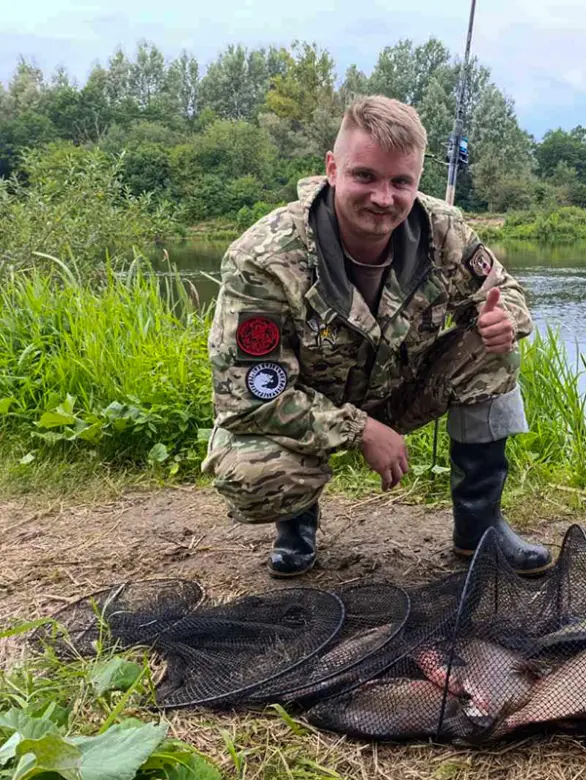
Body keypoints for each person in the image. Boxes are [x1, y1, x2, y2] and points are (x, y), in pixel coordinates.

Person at [201, 95, 552, 579]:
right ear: (332, 168)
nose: (383, 198)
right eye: (365, 176)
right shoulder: (263, 257)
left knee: (494, 350)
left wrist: (506, 319)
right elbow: (252, 396)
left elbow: (504, 289)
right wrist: (359, 430)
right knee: (257, 476)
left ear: (416, 182)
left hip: (399, 389)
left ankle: (480, 532)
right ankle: (295, 527)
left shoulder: (442, 228)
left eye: (400, 182)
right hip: (311, 401)